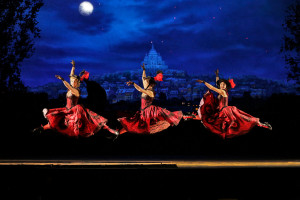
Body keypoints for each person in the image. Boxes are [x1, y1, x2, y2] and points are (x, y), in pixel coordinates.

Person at [33, 60, 119, 138]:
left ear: (77, 83)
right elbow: (71, 76)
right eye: (72, 81)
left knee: (91, 122)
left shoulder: (76, 91)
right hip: (67, 109)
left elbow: (69, 86)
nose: (72, 81)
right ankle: (39, 129)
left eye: (74, 81)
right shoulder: (72, 86)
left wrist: (62, 79)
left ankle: (112, 131)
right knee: (55, 119)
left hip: (75, 111)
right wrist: (73, 67)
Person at [117, 64, 192, 135]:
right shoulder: (147, 87)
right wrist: (144, 70)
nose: (145, 81)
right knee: (134, 125)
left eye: (147, 80)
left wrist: (133, 84)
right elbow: (143, 78)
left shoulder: (150, 92)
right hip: (143, 111)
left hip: (149, 111)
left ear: (150, 83)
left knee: (168, 115)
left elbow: (141, 90)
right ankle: (117, 133)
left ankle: (185, 116)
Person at [195, 69, 272, 139]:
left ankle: (260, 123)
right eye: (221, 84)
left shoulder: (223, 91)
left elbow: (212, 88)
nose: (222, 85)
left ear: (226, 86)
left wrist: (204, 82)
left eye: (224, 84)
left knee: (242, 120)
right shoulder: (222, 90)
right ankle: (262, 124)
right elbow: (217, 84)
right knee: (242, 119)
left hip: (225, 111)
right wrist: (217, 75)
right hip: (221, 110)